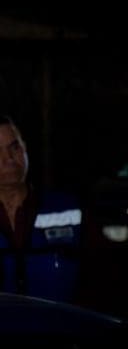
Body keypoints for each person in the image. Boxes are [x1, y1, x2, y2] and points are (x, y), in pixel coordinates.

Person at [0, 114, 82, 302]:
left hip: (60, 329)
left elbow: (104, 277)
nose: (9, 158)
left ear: (25, 148)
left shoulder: (67, 209)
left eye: (14, 147)